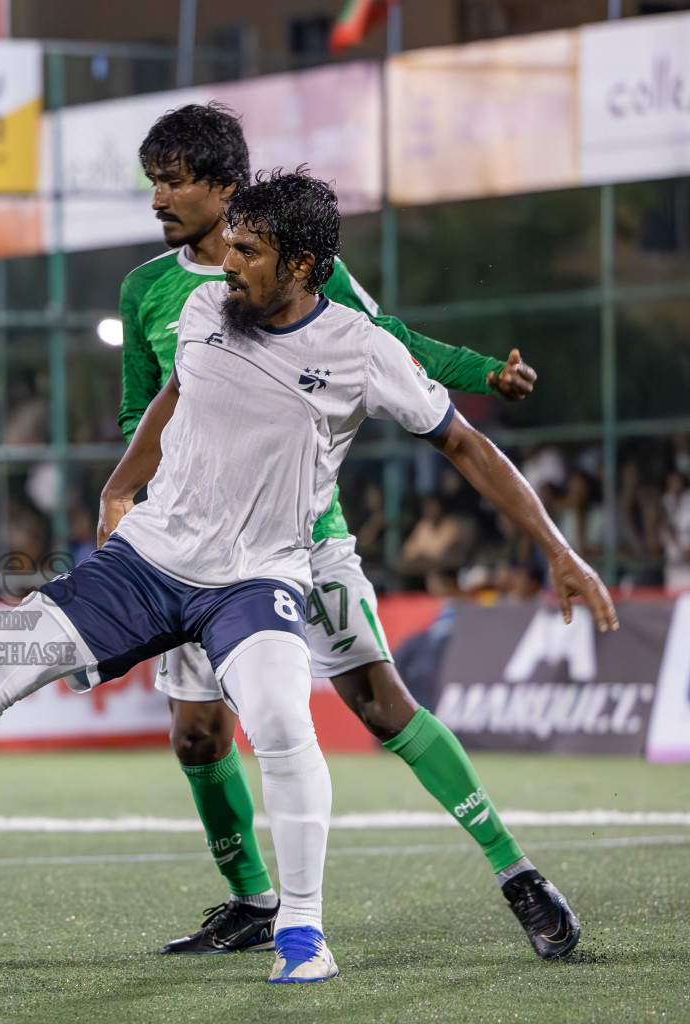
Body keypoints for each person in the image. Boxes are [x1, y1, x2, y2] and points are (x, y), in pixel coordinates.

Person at [0, 172, 617, 986]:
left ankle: (305, 928)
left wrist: (559, 549)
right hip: (148, 560)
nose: (229, 263)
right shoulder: (208, 303)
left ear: (304, 268)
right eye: (232, 244)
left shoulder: (362, 349)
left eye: (249, 250)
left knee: (290, 720)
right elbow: (174, 393)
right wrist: (117, 485)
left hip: (257, 578)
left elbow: (465, 444)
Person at [119, 104, 580, 962]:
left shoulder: (300, 273)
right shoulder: (148, 290)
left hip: (301, 541)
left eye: (176, 179)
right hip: (186, 545)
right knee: (196, 735)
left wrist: (481, 372)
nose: (160, 197)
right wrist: (128, 499)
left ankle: (515, 871)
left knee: (376, 701)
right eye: (153, 180)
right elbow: (148, 407)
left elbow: (386, 343)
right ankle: (254, 900)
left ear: (229, 187)